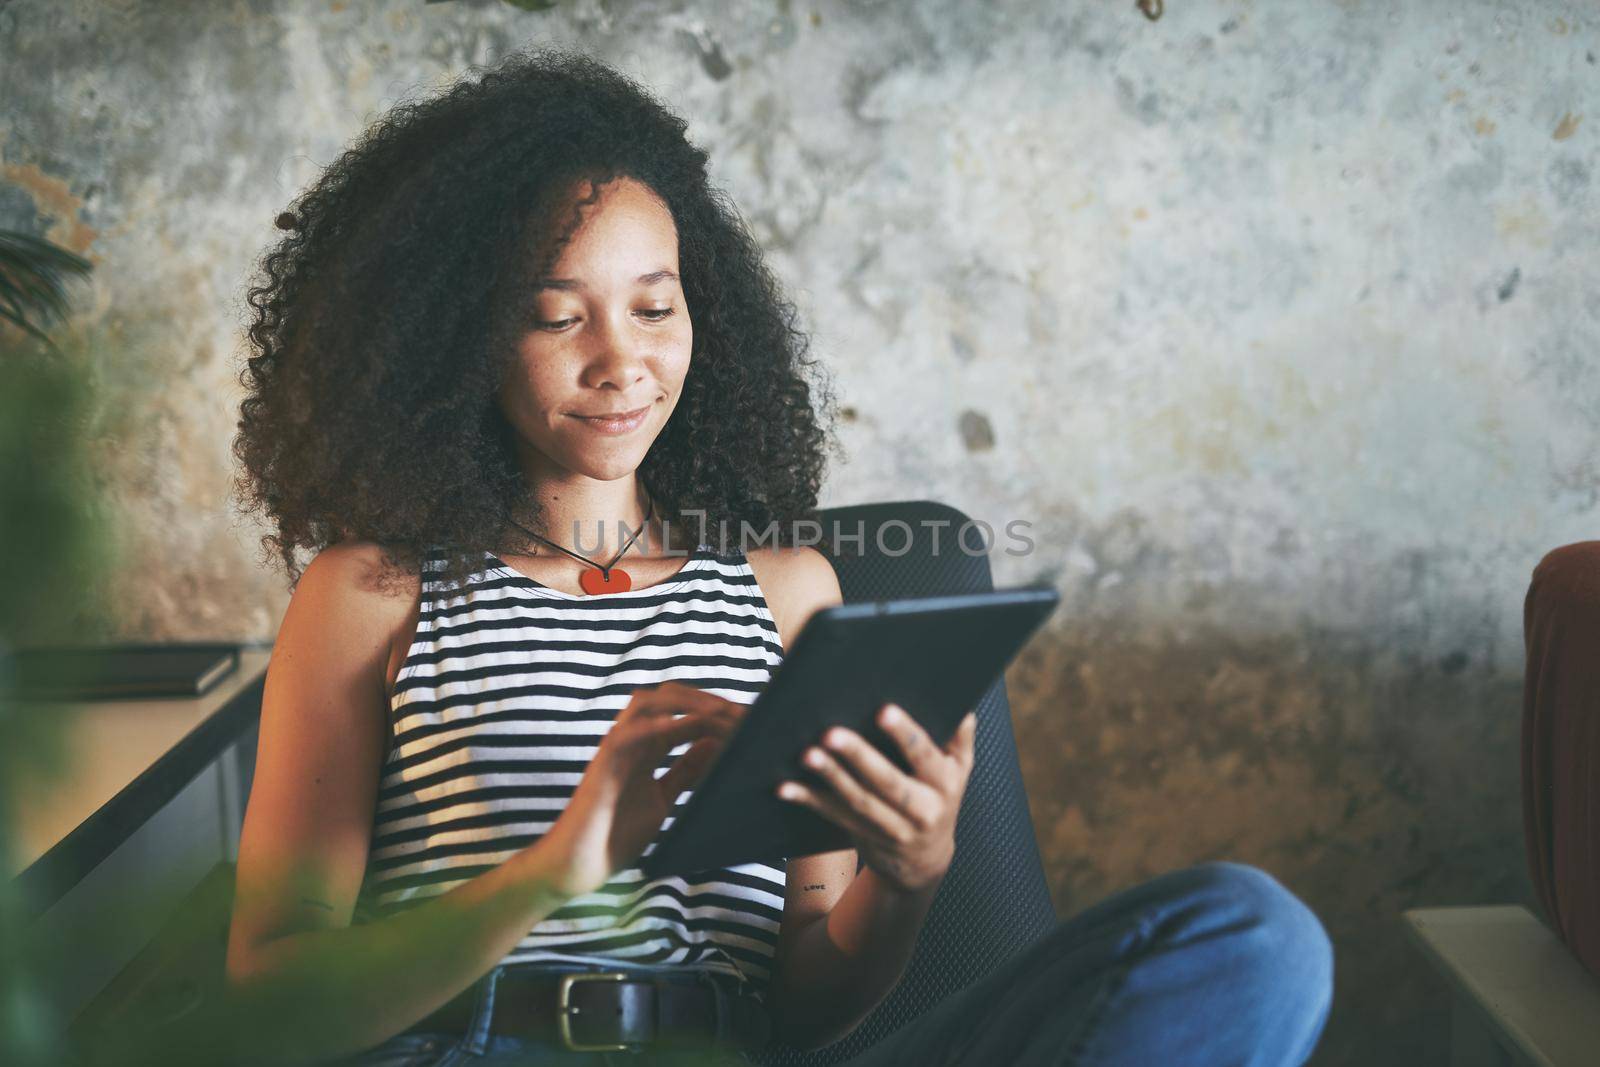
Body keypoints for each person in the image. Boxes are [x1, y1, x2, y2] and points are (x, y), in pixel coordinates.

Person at [223, 47, 1333, 1066]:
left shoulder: (786, 592)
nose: (623, 361)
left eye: (655, 306)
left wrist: (908, 876)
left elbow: (806, 998)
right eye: (557, 317)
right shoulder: (372, 594)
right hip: (484, 1044)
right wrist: (554, 869)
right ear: (454, 337)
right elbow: (272, 992)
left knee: (1248, 933)